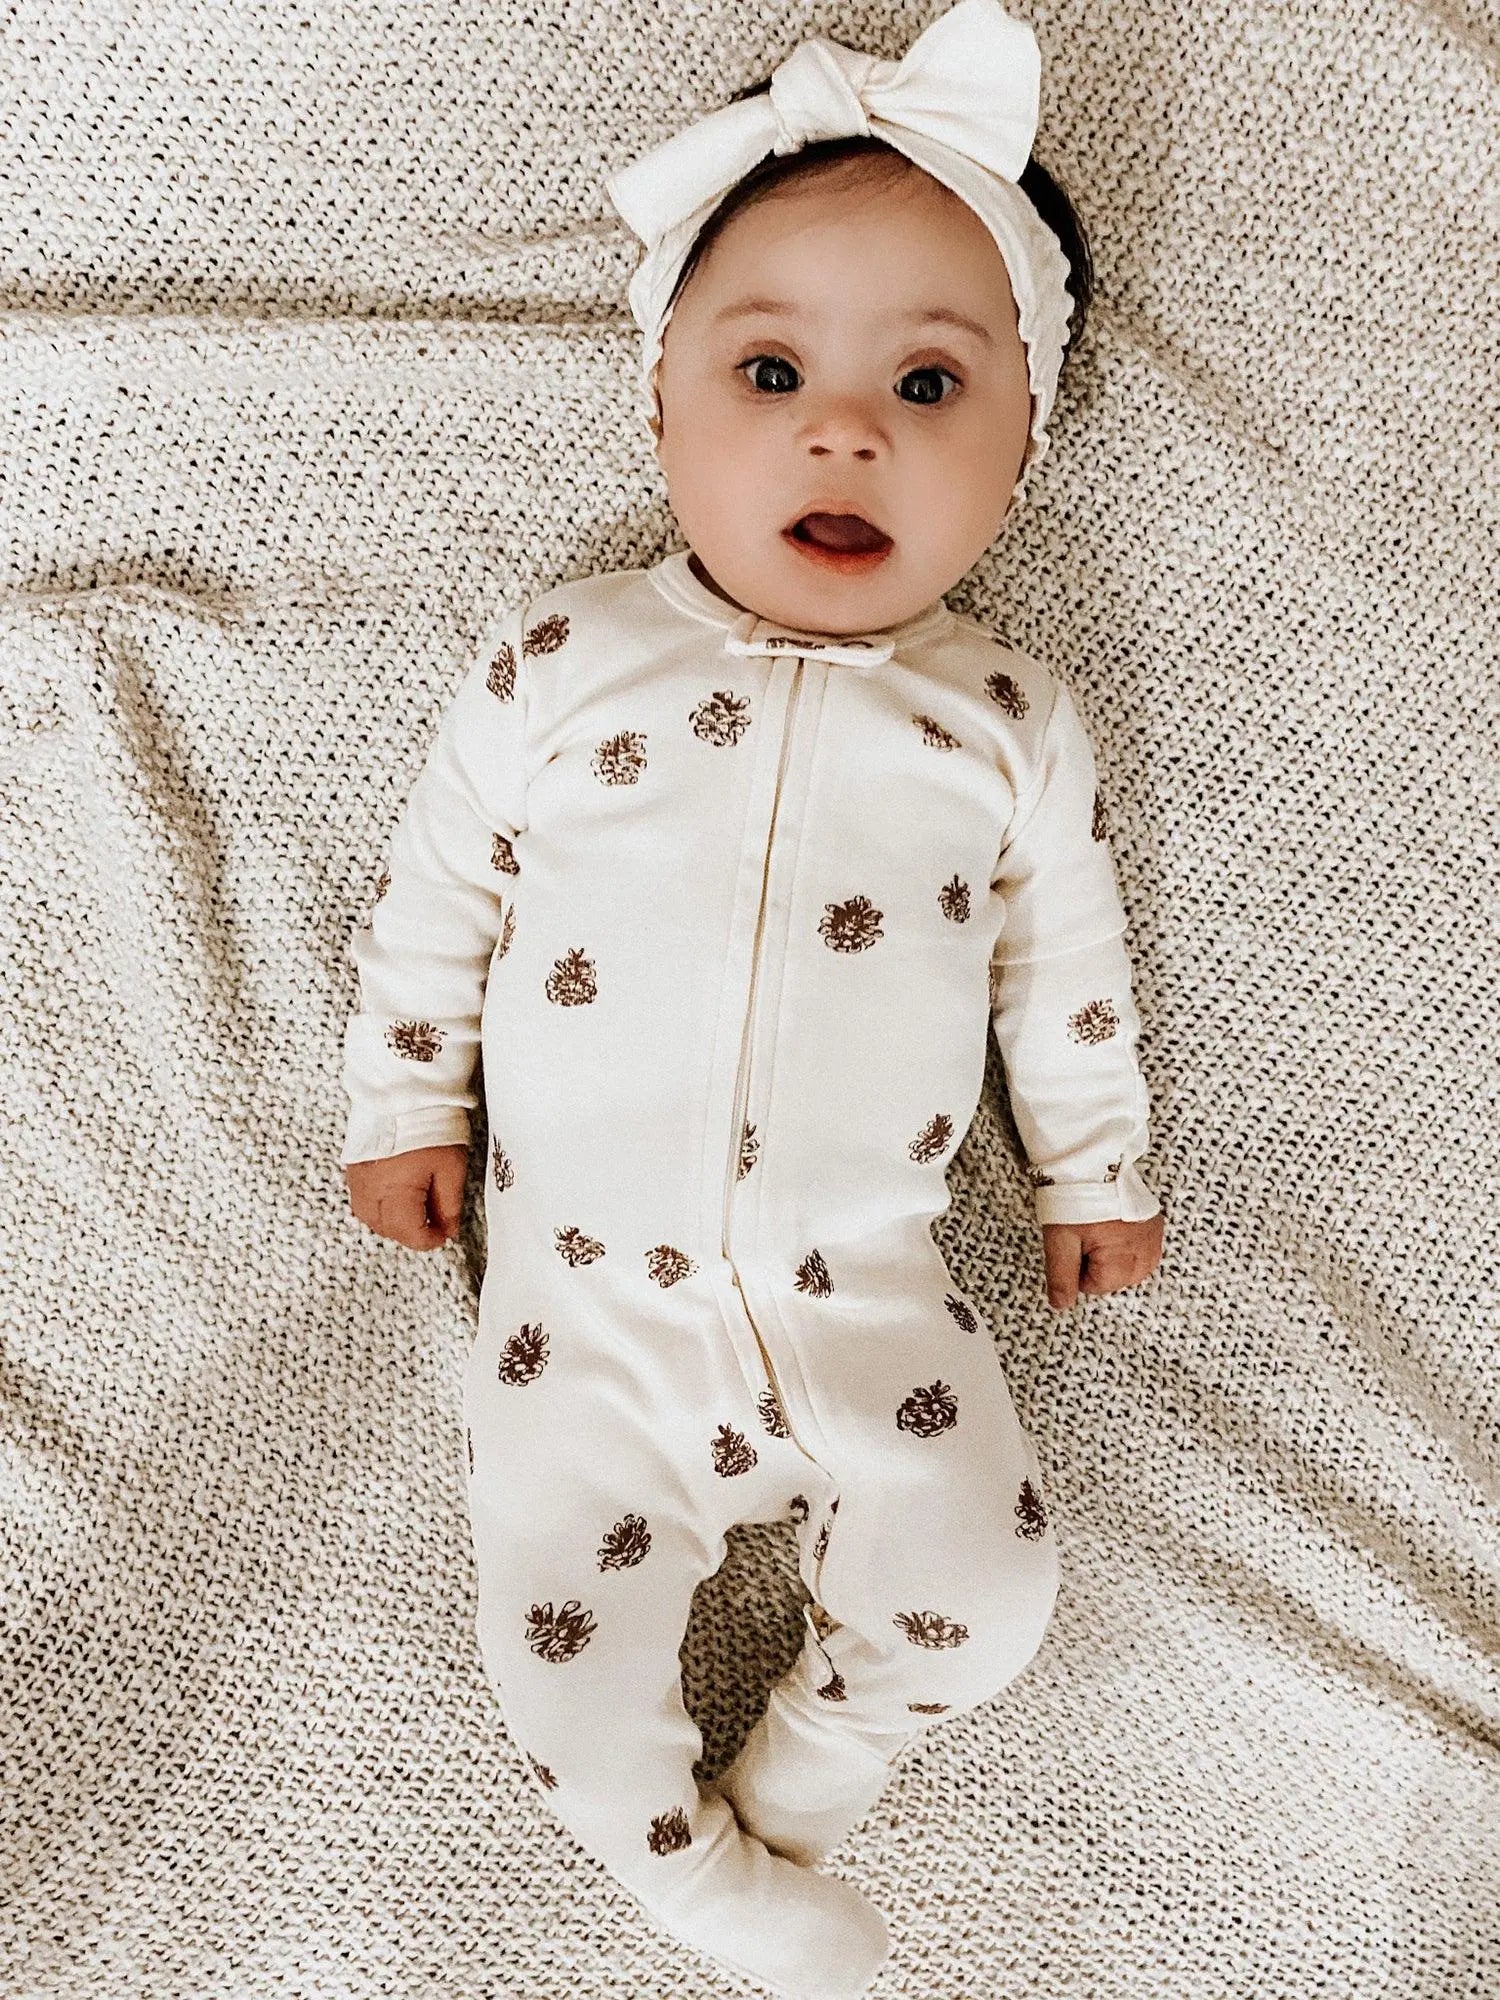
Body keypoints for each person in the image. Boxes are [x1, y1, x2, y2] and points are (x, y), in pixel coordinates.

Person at [340, 3, 1164, 1993]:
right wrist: (401, 1098)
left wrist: (1092, 1168)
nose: (844, 429)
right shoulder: (559, 661)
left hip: (864, 1297)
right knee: (548, 1652)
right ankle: (699, 1891)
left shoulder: (1006, 720)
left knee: (988, 1593)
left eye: (930, 383)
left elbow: (1064, 966)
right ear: (662, 407)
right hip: (586, 1318)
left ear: (1024, 449)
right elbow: (437, 897)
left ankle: (800, 1787)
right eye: (771, 370)